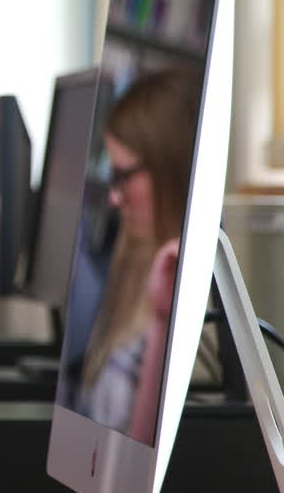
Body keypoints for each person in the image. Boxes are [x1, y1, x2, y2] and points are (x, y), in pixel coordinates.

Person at [74, 66, 206, 446]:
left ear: (169, 168)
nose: (114, 198)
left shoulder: (193, 299)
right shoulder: (132, 263)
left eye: (123, 175)